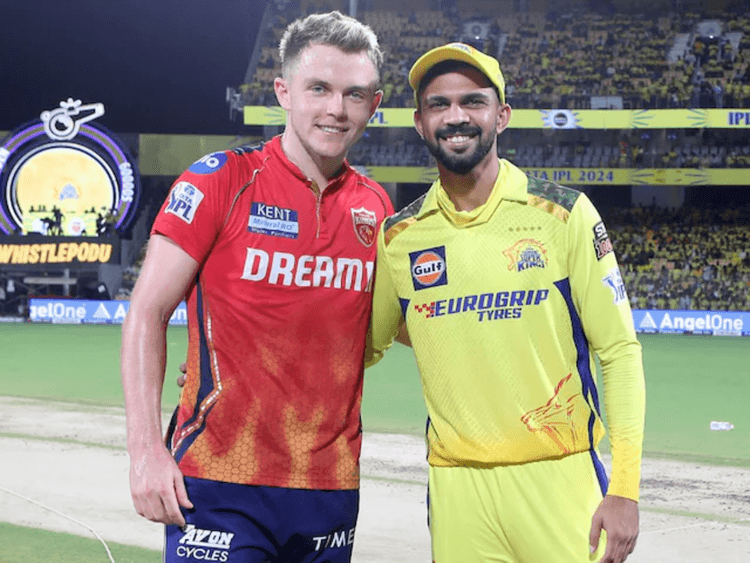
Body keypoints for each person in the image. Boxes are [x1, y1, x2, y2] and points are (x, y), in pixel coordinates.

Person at [121, 11, 392, 563]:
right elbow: (147, 311)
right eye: (319, 88)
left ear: (374, 104)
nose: (336, 109)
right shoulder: (220, 180)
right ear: (283, 92)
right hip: (218, 482)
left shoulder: (376, 207)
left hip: (330, 487)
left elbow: (371, 332)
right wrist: (145, 449)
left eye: (354, 94)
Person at [367, 43, 646, 563]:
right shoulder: (399, 238)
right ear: (420, 123)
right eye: (439, 104)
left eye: (473, 101)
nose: (456, 117)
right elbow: (363, 345)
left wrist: (625, 488)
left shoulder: (564, 215)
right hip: (457, 491)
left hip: (560, 479)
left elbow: (619, 351)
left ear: (502, 115)